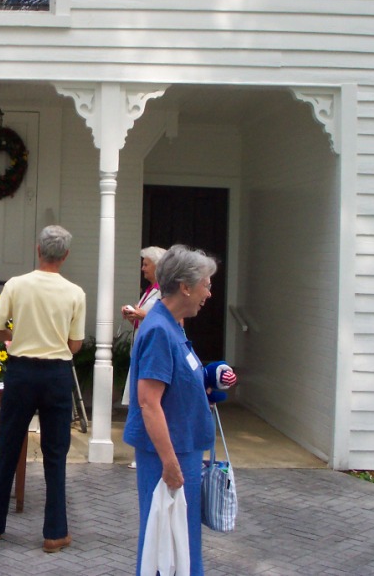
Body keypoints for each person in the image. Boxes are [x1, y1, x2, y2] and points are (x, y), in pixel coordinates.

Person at [0, 225, 86, 554]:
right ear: (66, 255)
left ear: (38, 249)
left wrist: (14, 336)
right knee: (55, 452)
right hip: (57, 373)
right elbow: (75, 345)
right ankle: (55, 532)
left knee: (7, 445)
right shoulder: (75, 293)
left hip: (22, 372)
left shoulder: (17, 285)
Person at [123, 244, 237, 576]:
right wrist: (170, 463)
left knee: (181, 543)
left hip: (183, 448)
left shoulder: (172, 325)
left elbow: (176, 382)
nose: (209, 294)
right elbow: (148, 402)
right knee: (165, 543)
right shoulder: (160, 330)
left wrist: (206, 384)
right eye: (206, 284)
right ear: (185, 287)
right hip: (167, 454)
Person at [120, 246, 167, 406]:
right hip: (141, 347)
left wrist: (142, 315)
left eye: (146, 264)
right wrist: (132, 316)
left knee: (145, 399)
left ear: (158, 266)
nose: (142, 268)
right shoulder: (149, 290)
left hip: (153, 350)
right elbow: (143, 322)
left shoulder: (165, 291)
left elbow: (170, 320)